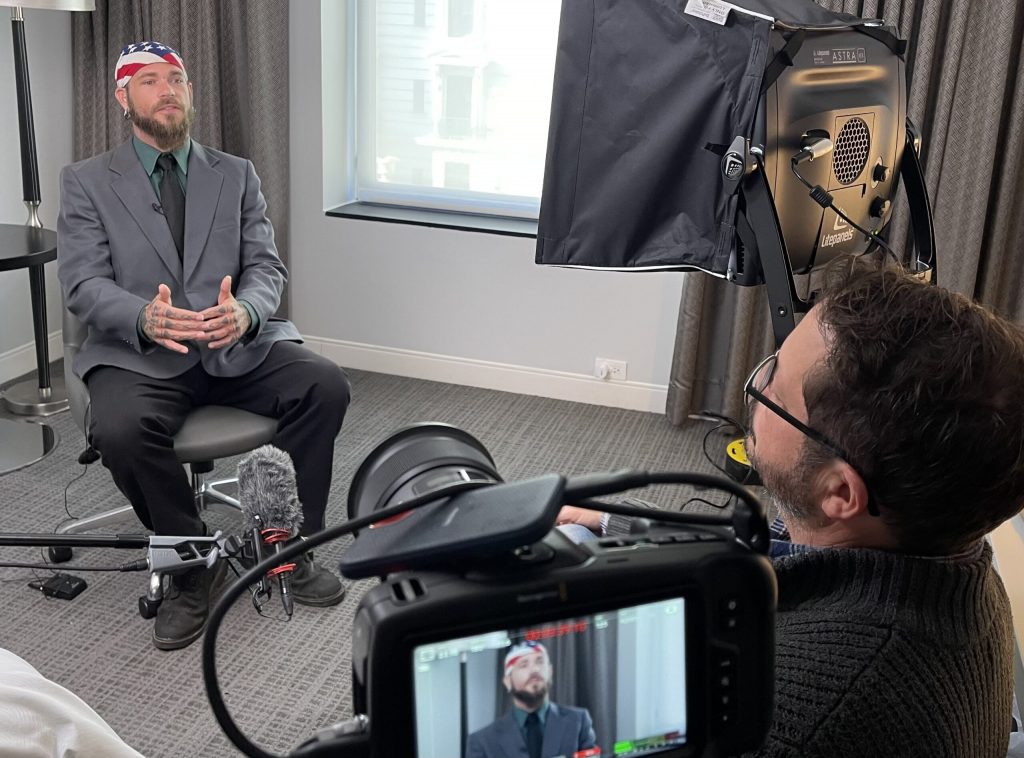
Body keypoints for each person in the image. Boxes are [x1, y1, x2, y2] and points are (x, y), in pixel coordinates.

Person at [558, 262, 1024, 757]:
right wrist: (615, 522)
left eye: (774, 389)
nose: (757, 390)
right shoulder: (947, 552)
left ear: (840, 493)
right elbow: (774, 556)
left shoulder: (787, 724)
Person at [57, 41, 351, 651]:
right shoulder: (86, 181)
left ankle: (283, 544)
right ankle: (192, 565)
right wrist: (144, 316)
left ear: (189, 92)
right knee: (120, 430)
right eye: (149, 81)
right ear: (123, 98)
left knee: (324, 386)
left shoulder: (236, 173)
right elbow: (82, 284)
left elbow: (266, 266)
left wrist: (248, 310)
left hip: (232, 347)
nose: (167, 89)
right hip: (140, 354)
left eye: (177, 79)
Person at [466, 641, 597, 758]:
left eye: (540, 662)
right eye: (524, 665)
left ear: (550, 671)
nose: (535, 669)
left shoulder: (578, 721)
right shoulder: (482, 742)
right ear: (508, 681)